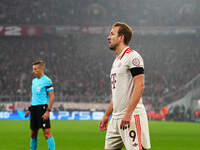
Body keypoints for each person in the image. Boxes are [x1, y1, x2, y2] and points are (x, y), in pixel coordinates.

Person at [99, 22, 151, 150]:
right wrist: (107, 114)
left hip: (131, 116)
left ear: (121, 37)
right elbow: (117, 94)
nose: (108, 37)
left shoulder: (132, 56)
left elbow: (140, 85)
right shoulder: (117, 61)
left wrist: (128, 114)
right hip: (116, 118)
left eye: (112, 34)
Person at [25, 60, 55, 150]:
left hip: (42, 109)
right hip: (34, 109)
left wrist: (48, 111)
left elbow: (52, 97)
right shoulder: (33, 81)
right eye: (33, 69)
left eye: (36, 69)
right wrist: (29, 109)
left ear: (42, 69)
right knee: (33, 134)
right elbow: (34, 97)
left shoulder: (47, 80)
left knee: (47, 133)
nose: (33, 71)